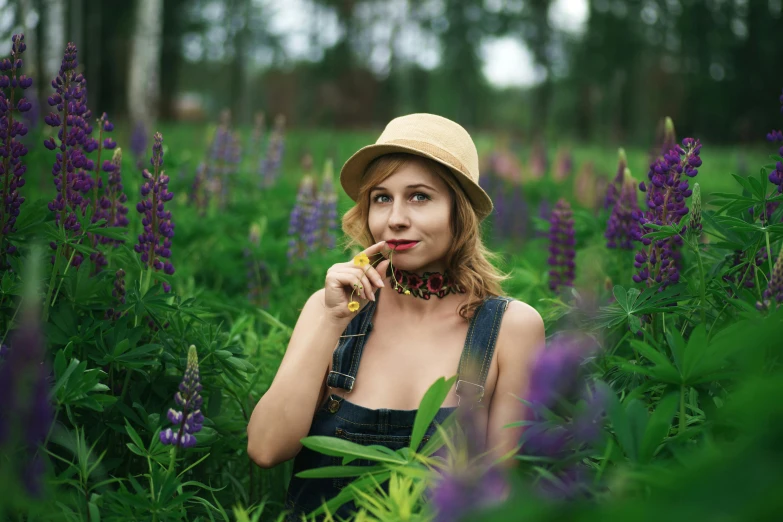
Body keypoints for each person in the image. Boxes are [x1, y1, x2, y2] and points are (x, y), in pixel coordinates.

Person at [247, 113, 546, 520]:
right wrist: (333, 320)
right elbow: (266, 449)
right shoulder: (330, 306)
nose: (395, 218)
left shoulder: (510, 328)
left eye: (420, 196)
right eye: (381, 198)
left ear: (460, 212)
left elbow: (500, 496)